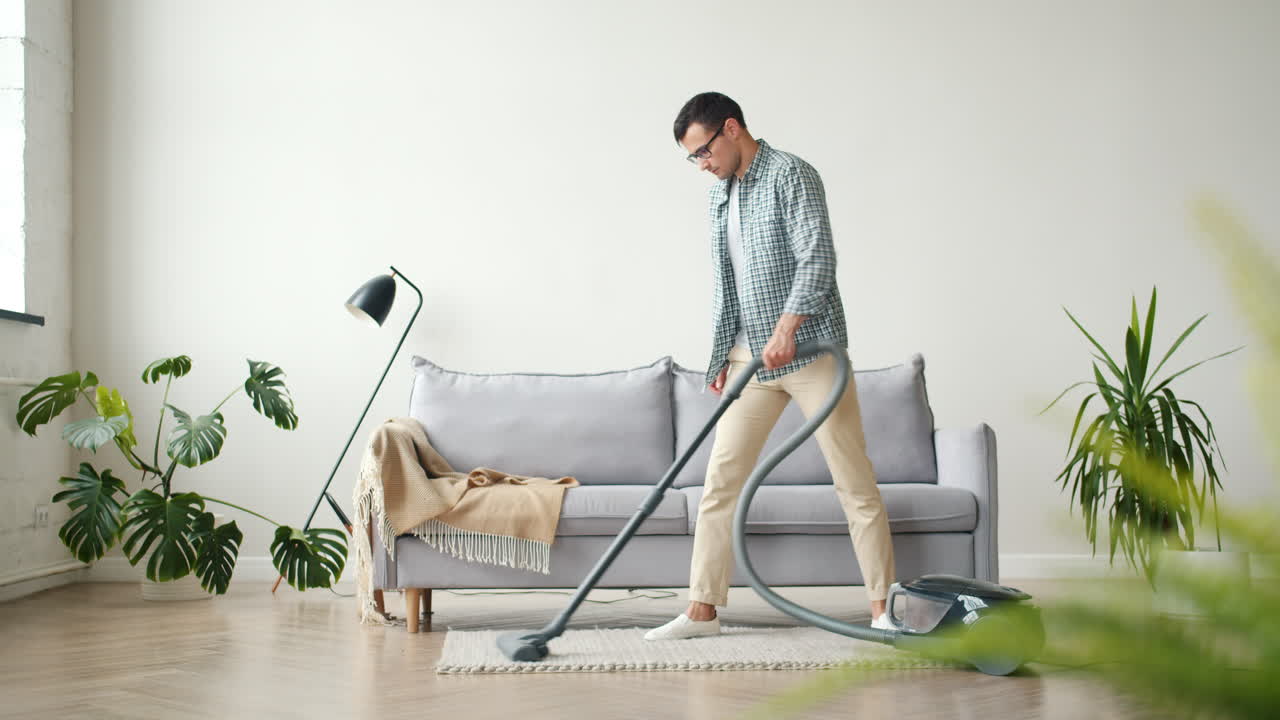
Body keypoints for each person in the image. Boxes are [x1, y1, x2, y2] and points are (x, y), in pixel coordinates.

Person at [645, 92, 896, 641]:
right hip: (748, 359)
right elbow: (727, 286)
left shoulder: (792, 175)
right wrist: (720, 357)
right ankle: (702, 612)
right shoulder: (720, 197)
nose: (702, 165)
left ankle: (883, 609)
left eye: (703, 152)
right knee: (720, 483)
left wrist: (788, 328)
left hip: (809, 352)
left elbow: (818, 257)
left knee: (853, 481)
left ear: (731, 129)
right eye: (693, 158)